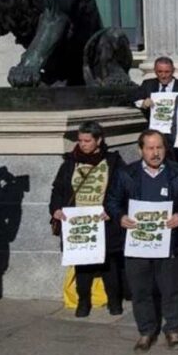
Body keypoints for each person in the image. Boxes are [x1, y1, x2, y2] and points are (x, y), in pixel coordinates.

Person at [104, 130, 178, 352]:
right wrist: (120, 217)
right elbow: (112, 201)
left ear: (166, 148)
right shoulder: (126, 173)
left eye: (159, 147)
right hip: (137, 243)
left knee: (171, 289)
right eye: (150, 148)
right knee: (140, 290)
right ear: (141, 150)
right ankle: (146, 331)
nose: (155, 153)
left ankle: (172, 330)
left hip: (168, 242)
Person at [49, 121, 126, 317]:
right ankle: (83, 302)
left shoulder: (113, 162)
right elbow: (58, 190)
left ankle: (114, 302)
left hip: (105, 222)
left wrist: (113, 211)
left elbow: (124, 189)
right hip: (78, 222)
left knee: (109, 265)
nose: (83, 144)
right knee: (82, 265)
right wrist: (56, 209)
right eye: (80, 140)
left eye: (87, 140)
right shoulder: (70, 162)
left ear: (98, 140)